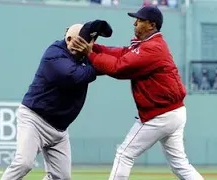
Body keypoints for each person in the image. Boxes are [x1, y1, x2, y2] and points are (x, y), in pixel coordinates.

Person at [70, 6, 205, 180]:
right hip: (173, 112)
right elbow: (120, 53)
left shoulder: (153, 48)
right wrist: (94, 48)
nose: (135, 23)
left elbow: (119, 68)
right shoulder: (148, 45)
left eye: (140, 20)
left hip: (160, 114)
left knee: (124, 153)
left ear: (151, 25)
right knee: (180, 165)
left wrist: (90, 54)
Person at [0, 20, 112, 180]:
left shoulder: (84, 54)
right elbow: (74, 76)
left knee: (62, 177)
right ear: (68, 39)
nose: (82, 47)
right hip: (35, 120)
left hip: (60, 130)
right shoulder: (55, 53)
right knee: (24, 163)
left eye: (87, 43)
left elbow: (111, 60)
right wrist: (96, 62)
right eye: (79, 42)